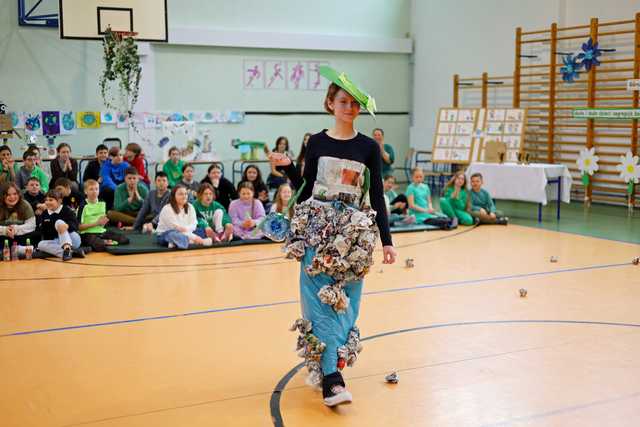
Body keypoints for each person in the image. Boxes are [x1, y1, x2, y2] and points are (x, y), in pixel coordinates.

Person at [269, 65, 396, 406]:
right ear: (330, 103)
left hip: (353, 238)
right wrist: (287, 167)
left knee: (347, 306)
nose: (349, 108)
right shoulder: (317, 142)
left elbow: (377, 194)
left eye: (355, 103)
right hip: (317, 232)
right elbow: (306, 187)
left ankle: (327, 365)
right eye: (343, 101)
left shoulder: (368, 147)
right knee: (318, 303)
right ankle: (332, 380)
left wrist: (387, 241)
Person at [78, 179, 130, 252]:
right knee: (99, 245)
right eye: (91, 189)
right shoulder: (83, 206)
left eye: (96, 189)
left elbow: (103, 223)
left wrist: (104, 221)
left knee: (124, 239)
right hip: (88, 233)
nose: (94, 191)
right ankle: (104, 242)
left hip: (101, 232)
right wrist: (96, 223)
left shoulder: (102, 202)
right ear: (85, 191)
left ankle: (104, 241)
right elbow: (79, 227)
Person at [36, 189, 83, 261]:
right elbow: (44, 231)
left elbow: (75, 225)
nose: (47, 202)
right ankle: (70, 253)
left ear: (60, 201)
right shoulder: (45, 213)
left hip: (72, 238)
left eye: (51, 200)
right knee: (41, 244)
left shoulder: (66, 210)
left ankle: (67, 248)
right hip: (57, 241)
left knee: (59, 222)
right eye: (46, 200)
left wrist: (67, 226)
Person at [0, 182, 38, 252]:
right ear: (3, 196)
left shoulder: (25, 204)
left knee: (31, 235)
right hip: (2, 237)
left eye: (15, 194)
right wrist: (5, 230)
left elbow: (32, 225)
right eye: (8, 195)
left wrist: (15, 229)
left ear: (19, 194)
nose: (12, 197)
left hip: (20, 236)